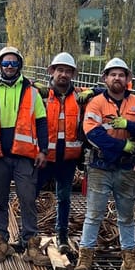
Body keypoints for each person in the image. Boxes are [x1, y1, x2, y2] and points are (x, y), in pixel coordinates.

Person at [74, 58, 135, 270]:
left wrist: (128, 124)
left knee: (126, 216)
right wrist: (123, 145)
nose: (117, 78)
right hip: (101, 166)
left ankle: (129, 260)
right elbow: (93, 133)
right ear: (105, 78)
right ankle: (85, 258)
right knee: (94, 214)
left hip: (127, 169)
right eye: (113, 74)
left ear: (128, 79)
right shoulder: (96, 103)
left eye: (121, 75)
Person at [0, 46, 51, 266]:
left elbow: (41, 122)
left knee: (28, 199)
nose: (10, 67)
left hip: (25, 156)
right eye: (6, 63)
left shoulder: (31, 91)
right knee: (0, 201)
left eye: (14, 63)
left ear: (20, 65)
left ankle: (30, 244)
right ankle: (2, 244)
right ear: (0, 65)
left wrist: (43, 150)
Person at [36, 52, 93, 254]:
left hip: (68, 158)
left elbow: (109, 91)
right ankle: (29, 235)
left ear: (73, 74)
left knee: (64, 198)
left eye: (68, 71)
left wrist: (94, 90)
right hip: (43, 157)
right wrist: (31, 85)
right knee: (31, 195)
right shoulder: (41, 95)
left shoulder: (80, 96)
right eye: (60, 70)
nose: (64, 74)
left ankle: (61, 235)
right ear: (52, 71)